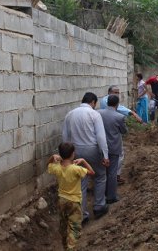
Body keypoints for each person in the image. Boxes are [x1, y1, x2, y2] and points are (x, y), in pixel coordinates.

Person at [62, 92, 110, 223]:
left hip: (75, 151)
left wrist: (67, 157)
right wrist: (105, 155)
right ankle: (99, 206)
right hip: (92, 149)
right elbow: (100, 137)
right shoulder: (94, 114)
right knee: (100, 176)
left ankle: (82, 214)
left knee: (81, 181)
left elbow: (65, 137)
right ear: (93, 102)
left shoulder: (70, 114)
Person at [47, 142, 95, 250]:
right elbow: (92, 172)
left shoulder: (57, 168)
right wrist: (83, 161)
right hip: (74, 202)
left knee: (63, 226)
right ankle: (71, 247)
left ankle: (65, 246)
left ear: (60, 154)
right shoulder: (76, 169)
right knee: (74, 228)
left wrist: (52, 157)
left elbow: (48, 165)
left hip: (62, 200)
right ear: (73, 154)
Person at [99, 85, 141, 185]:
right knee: (116, 154)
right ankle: (113, 177)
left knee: (109, 153)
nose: (117, 94)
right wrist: (133, 113)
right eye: (115, 92)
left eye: (118, 92)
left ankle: (111, 175)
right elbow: (120, 109)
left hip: (106, 131)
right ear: (109, 92)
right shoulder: (106, 101)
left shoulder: (107, 102)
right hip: (110, 132)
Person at [98, 95, 128, 204]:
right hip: (113, 147)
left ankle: (102, 194)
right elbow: (124, 131)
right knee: (112, 172)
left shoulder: (99, 113)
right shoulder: (119, 117)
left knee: (102, 172)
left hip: (100, 147)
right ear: (117, 104)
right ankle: (111, 196)